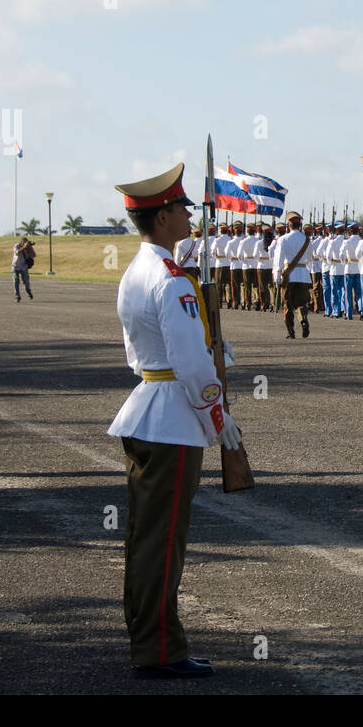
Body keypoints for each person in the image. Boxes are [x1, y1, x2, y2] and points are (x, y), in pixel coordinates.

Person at [108, 162, 239, 679]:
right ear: (162, 218)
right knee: (163, 541)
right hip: (172, 420)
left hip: (148, 407)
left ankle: (150, 640)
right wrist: (217, 415)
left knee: (146, 536)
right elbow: (189, 362)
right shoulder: (171, 278)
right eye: (181, 208)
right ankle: (160, 650)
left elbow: (144, 354)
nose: (188, 214)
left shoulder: (137, 271)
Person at [273, 211, 312, 339]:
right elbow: (310, 257)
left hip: (289, 275)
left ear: (289, 224)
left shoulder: (283, 239)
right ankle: (303, 319)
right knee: (301, 302)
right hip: (303, 274)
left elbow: (278, 259)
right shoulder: (306, 239)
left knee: (288, 304)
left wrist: (277, 276)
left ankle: (291, 331)